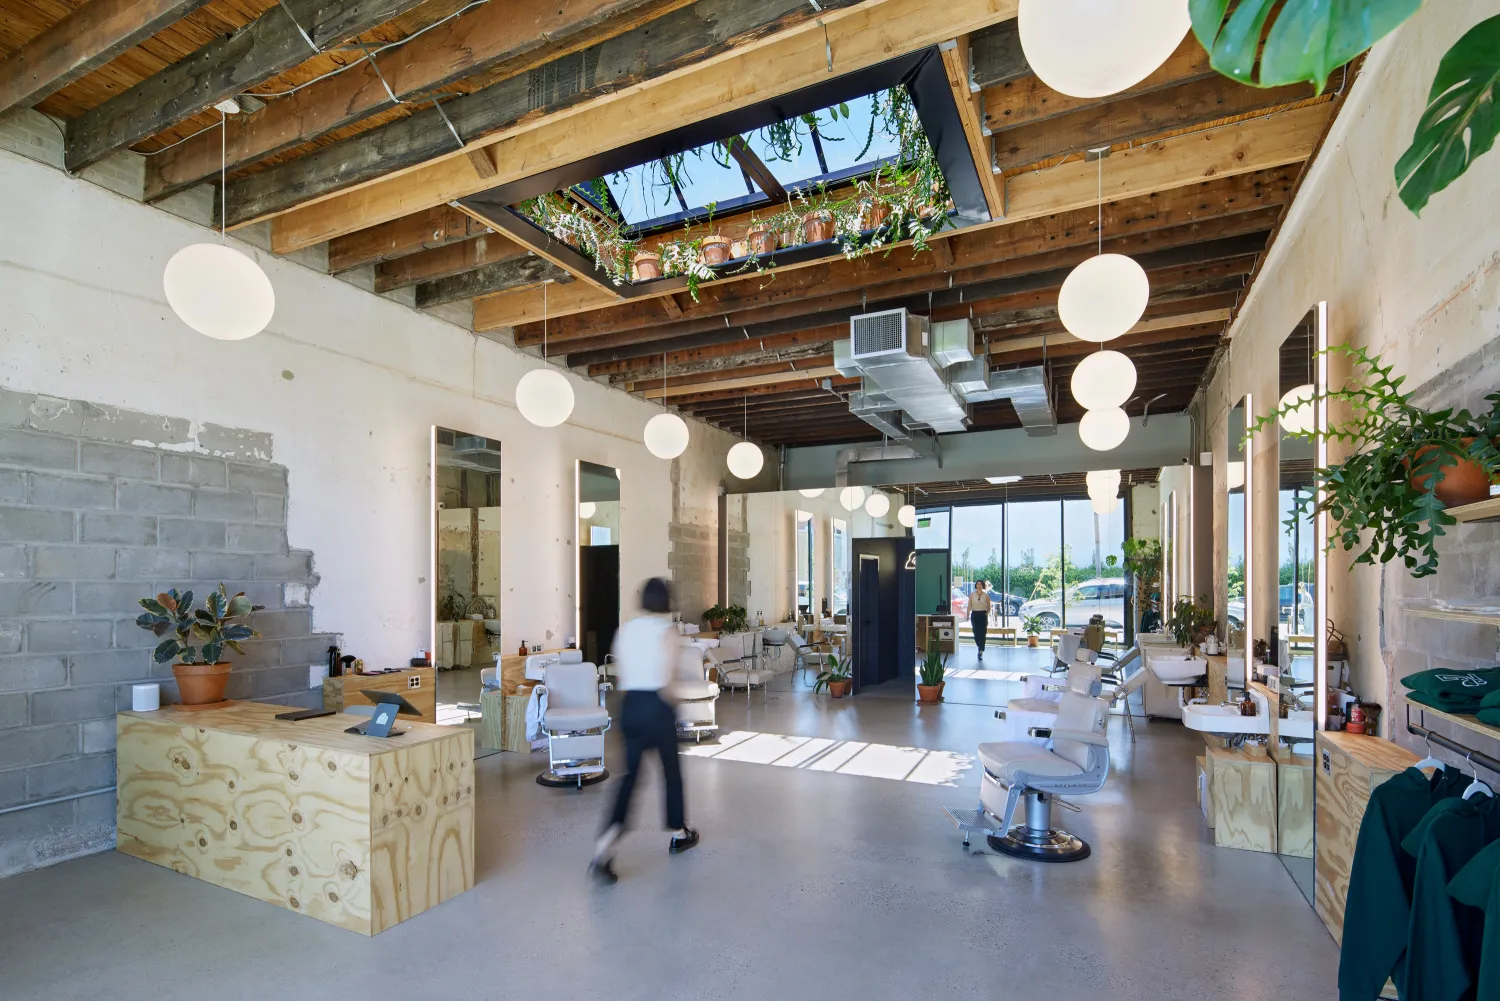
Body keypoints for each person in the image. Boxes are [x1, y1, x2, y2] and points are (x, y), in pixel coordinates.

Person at [589, 578, 699, 885]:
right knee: (671, 773)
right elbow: (667, 678)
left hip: (630, 706)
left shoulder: (626, 629)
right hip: (656, 707)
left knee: (629, 781)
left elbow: (622, 672)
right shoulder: (667, 632)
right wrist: (675, 706)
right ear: (666, 603)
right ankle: (679, 833)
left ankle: (603, 848)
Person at [968, 580, 992, 659]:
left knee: (982, 632)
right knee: (975, 632)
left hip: (982, 615)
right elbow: (969, 605)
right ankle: (979, 645)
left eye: (981, 584)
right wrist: (967, 614)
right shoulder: (972, 595)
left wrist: (986, 613)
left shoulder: (986, 596)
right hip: (974, 614)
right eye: (978, 584)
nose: (979, 586)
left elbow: (989, 606)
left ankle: (981, 650)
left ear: (983, 586)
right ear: (976, 586)